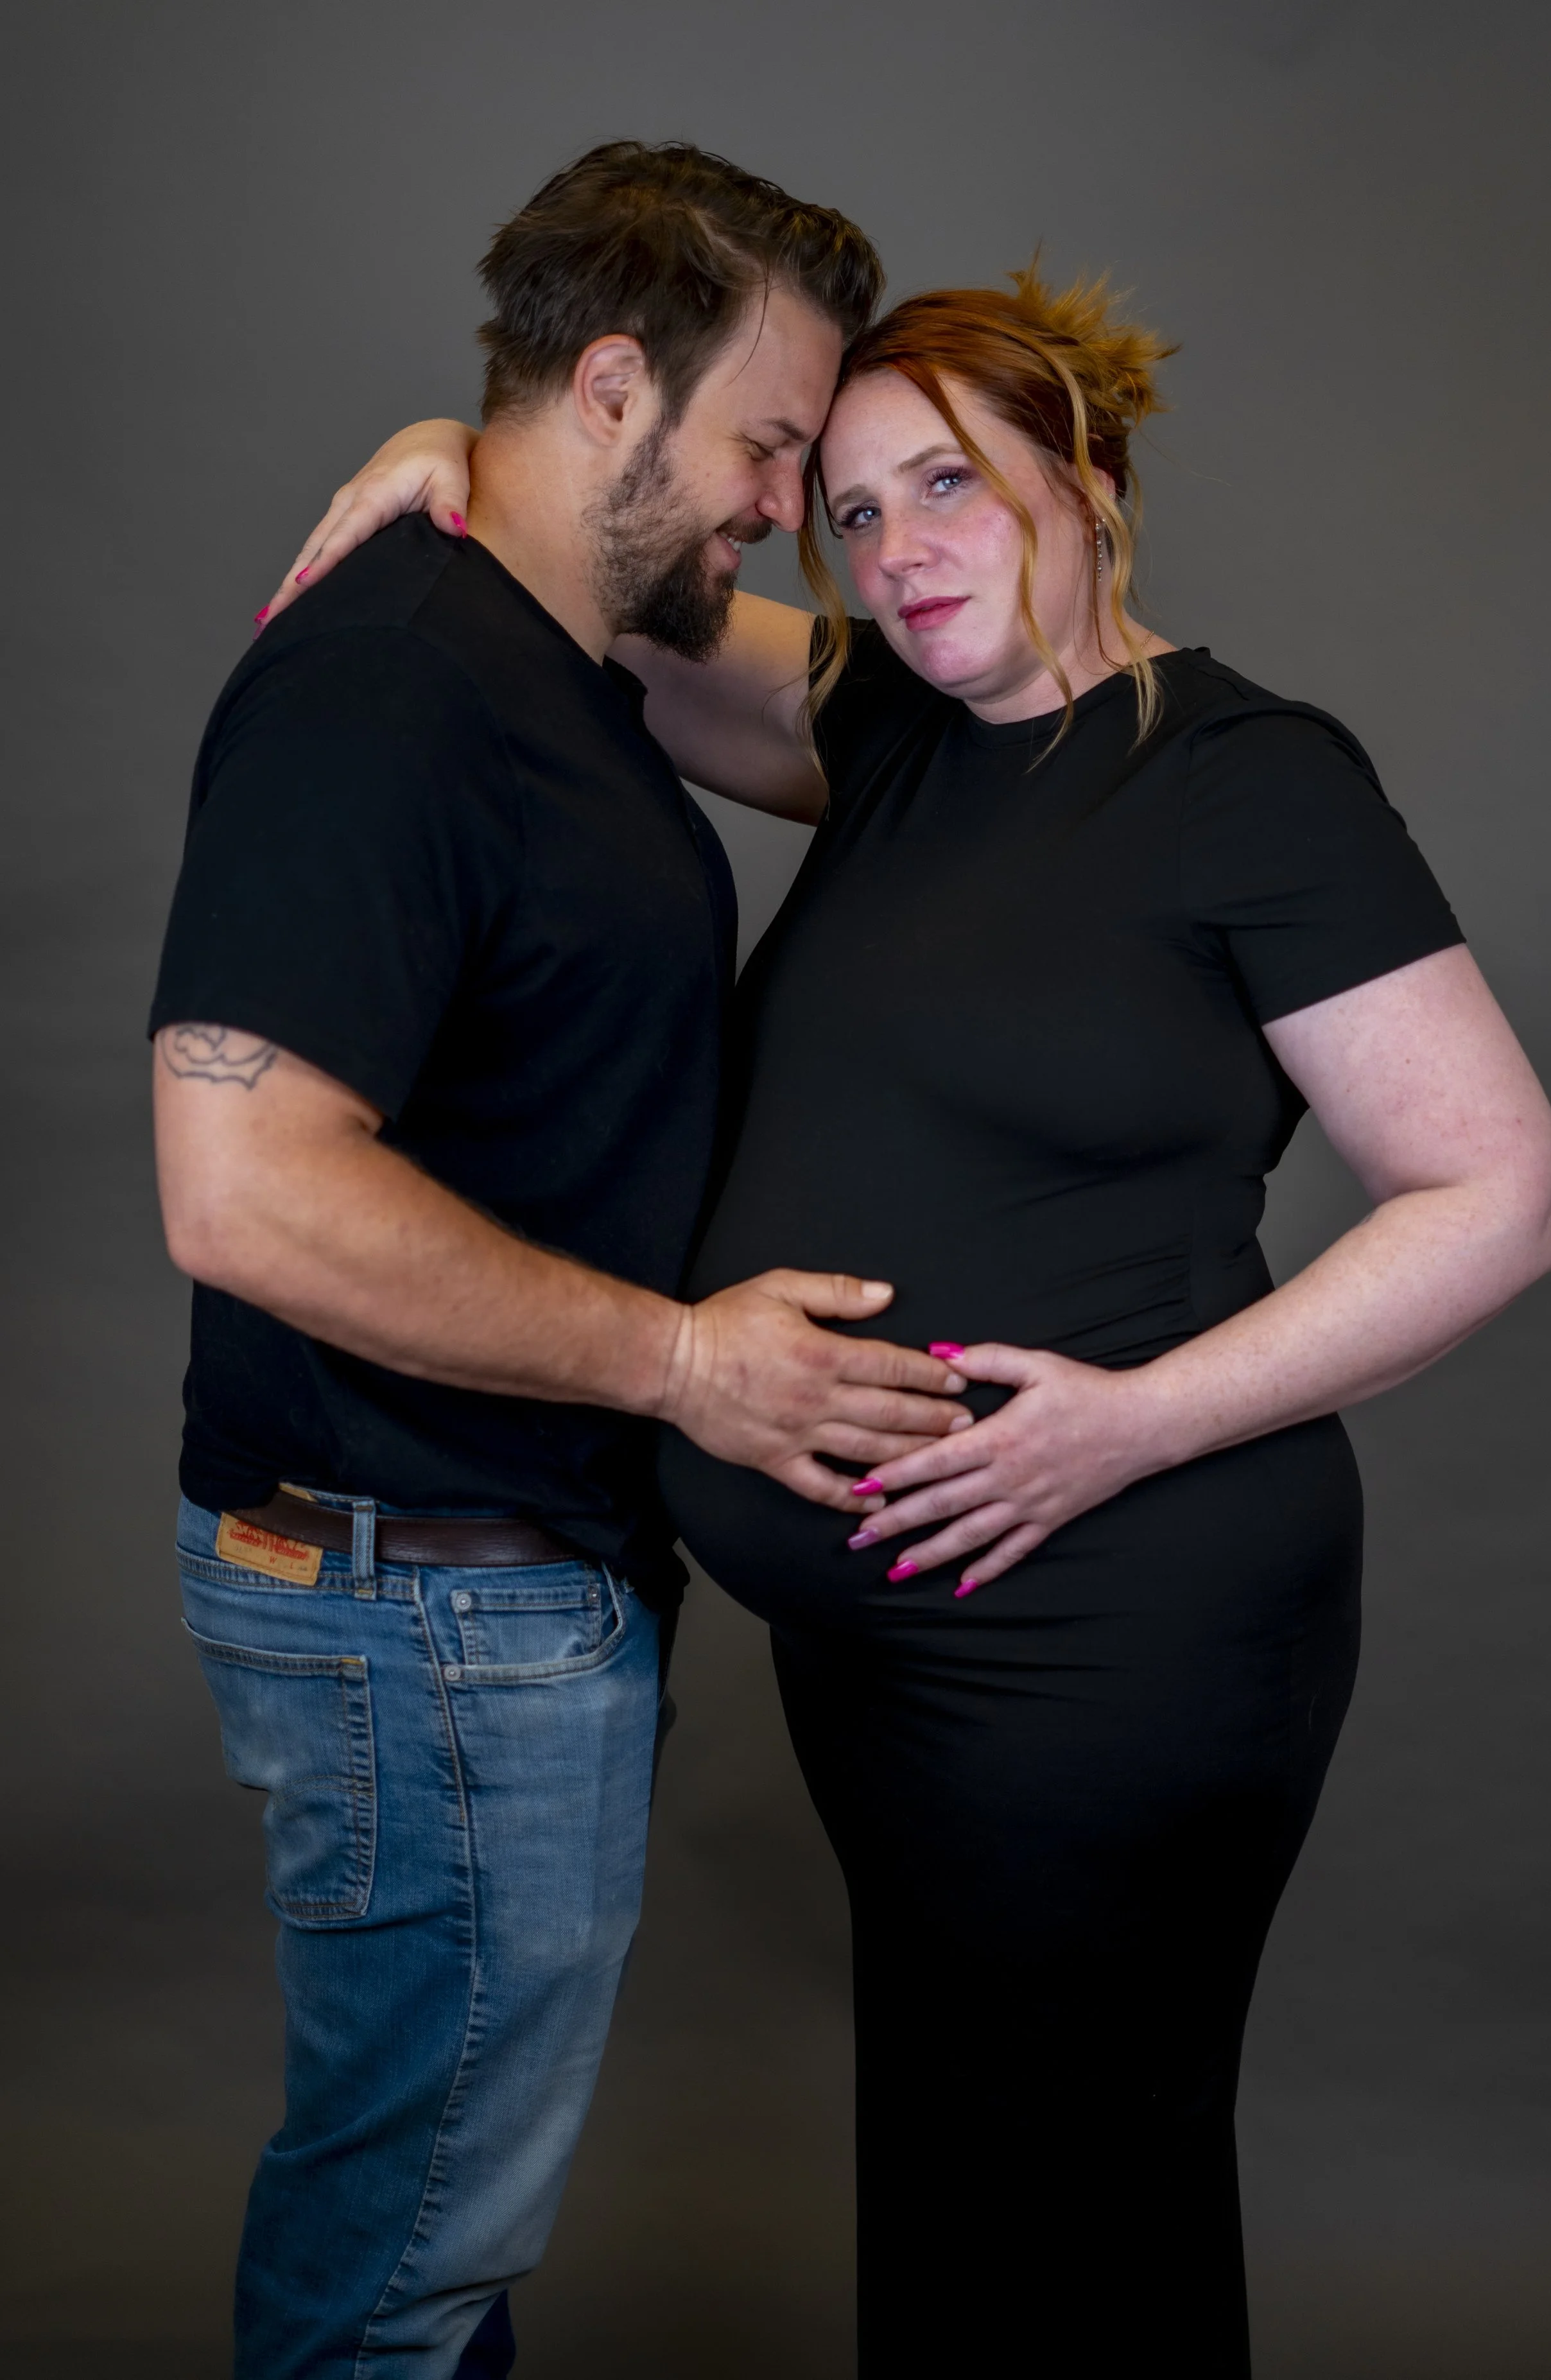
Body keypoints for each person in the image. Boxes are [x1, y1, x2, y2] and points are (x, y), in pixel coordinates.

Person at [269, 269, 1551, 2373]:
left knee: (1075, 2189)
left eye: (948, 485)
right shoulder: (885, 725)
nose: (896, 550)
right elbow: (570, 600)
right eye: (850, 516)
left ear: (1087, 474)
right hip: (893, 1637)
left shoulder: (1245, 780)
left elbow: (1497, 1193)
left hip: (1113, 1607)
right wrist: (453, 465)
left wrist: (1131, 1423)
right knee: (973, 2176)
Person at [148, 141, 977, 2380]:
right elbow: (246, 1188)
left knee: (425, 2250)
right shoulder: (393, 684)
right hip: (421, 1593)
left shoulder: (562, 647)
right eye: (770, 449)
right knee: (398, 2276)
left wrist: (450, 450)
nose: (788, 513)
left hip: (487, 1592)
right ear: (612, 385)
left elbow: (941, 714)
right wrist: (687, 1371)